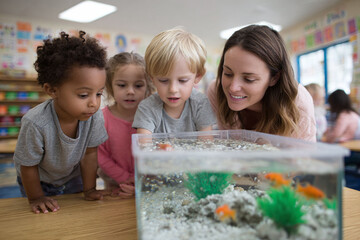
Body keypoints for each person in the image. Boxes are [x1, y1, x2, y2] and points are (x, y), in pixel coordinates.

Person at [13, 31, 109, 214]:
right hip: (37, 182)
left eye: (99, 93)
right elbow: (28, 165)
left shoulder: (94, 116)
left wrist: (89, 189)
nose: (94, 103)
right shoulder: (35, 122)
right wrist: (35, 197)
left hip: (72, 178)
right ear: (52, 90)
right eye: (83, 95)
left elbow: (89, 155)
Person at [206, 25, 316, 141]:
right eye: (228, 73)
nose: (233, 88)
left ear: (274, 78)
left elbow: (303, 157)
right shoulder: (216, 90)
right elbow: (230, 146)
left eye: (249, 79)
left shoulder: (298, 103)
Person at [132, 27, 216, 134]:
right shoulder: (147, 108)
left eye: (182, 80)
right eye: (163, 80)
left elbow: (206, 145)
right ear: (152, 78)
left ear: (197, 76)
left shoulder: (200, 104)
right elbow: (144, 147)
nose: (173, 89)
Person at [97, 52, 154, 197]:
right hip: (114, 188)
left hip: (147, 187)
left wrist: (141, 182)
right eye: (122, 85)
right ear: (110, 87)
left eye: (138, 85)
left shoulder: (153, 118)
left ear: (147, 88)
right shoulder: (101, 119)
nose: (130, 91)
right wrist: (125, 179)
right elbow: (100, 156)